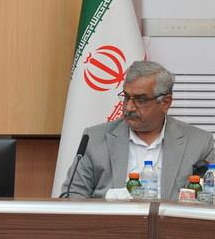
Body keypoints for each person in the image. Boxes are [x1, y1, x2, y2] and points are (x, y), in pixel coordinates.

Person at [62, 60, 215, 199]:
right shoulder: (94, 139)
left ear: (165, 103)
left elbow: (209, 199)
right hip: (111, 221)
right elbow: (71, 196)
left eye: (140, 100)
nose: (129, 107)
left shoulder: (199, 143)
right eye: (126, 97)